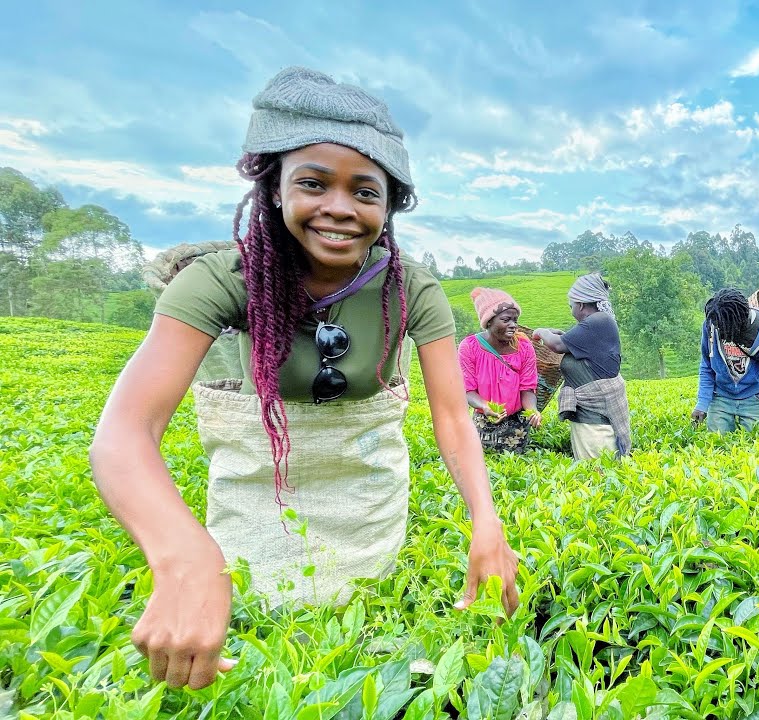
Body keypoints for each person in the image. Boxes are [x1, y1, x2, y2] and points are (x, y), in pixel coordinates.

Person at [87, 67, 519, 692]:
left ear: (389, 205)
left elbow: (451, 416)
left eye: (366, 192)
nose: (340, 208)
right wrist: (182, 555)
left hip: (366, 501)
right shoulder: (220, 280)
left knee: (363, 645)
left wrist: (485, 516)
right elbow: (125, 431)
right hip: (254, 499)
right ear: (275, 189)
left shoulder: (412, 288)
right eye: (313, 183)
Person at [532, 272, 631, 460]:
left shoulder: (598, 320)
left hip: (596, 425)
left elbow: (558, 345)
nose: (571, 310)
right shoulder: (596, 323)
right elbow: (567, 342)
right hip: (589, 421)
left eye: (571, 306)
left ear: (581, 304)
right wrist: (557, 335)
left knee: (597, 477)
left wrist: (541, 332)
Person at [691, 288, 759, 438]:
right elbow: (707, 366)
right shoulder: (713, 323)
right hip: (720, 397)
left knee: (752, 450)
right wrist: (702, 403)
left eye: (724, 328)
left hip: (753, 399)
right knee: (716, 448)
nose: (719, 330)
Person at [457, 288, 542, 453]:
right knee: (485, 464)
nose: (513, 325)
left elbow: (528, 388)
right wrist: (485, 405)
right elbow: (467, 390)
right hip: (484, 420)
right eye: (506, 320)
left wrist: (532, 411)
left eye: (515, 320)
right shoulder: (469, 347)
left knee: (514, 468)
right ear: (489, 321)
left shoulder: (524, 346)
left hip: (517, 423)